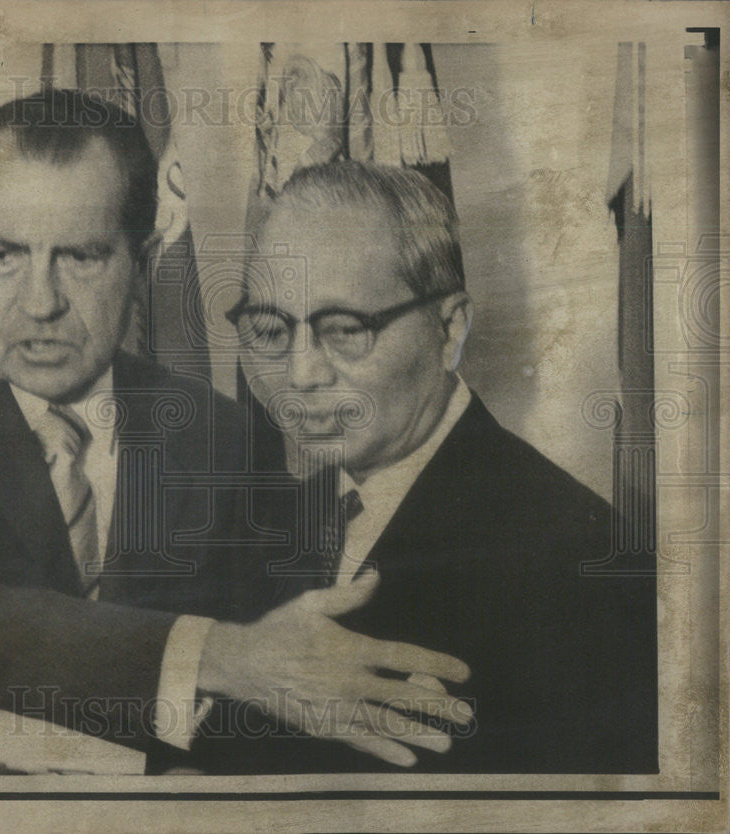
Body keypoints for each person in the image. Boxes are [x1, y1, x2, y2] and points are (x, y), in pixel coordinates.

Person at [0, 90, 473, 776]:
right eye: (3, 255)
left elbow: (280, 666)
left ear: (143, 263)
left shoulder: (224, 435)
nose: (39, 303)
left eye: (80, 257)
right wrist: (217, 656)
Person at [206, 160, 658, 773]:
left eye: (344, 330)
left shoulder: (587, 559)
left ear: (450, 329)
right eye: (269, 329)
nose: (299, 375)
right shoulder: (264, 522)